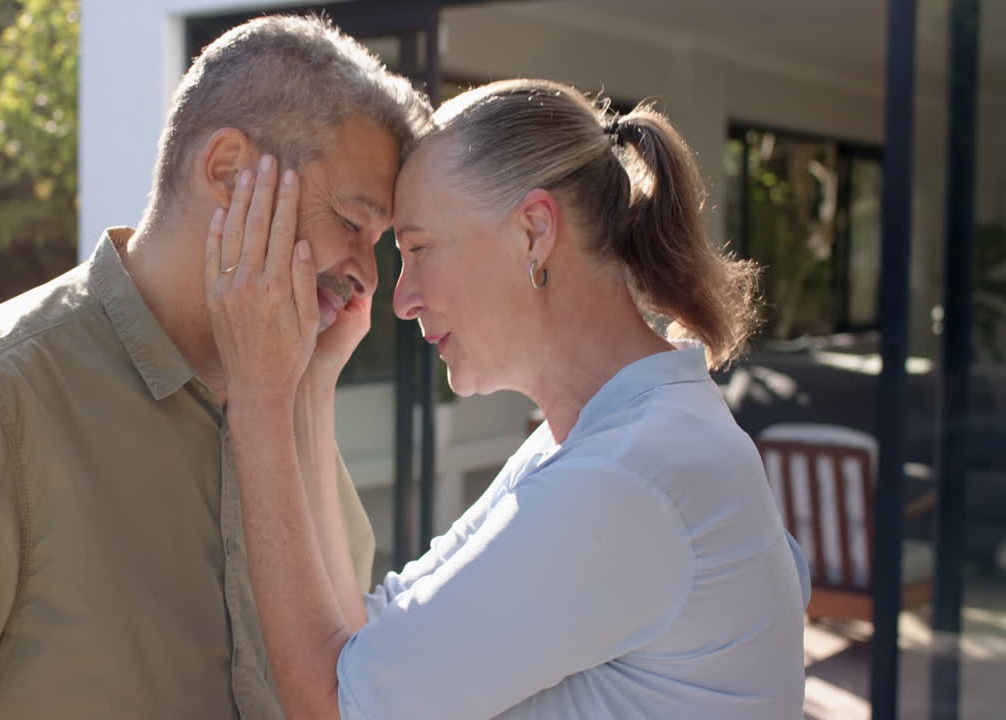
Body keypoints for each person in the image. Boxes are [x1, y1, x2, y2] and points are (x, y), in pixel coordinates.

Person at [0, 15, 430, 720]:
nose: (367, 277)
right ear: (227, 172)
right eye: (351, 223)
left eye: (381, 244)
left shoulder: (295, 416)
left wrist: (304, 399)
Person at [207, 78, 812, 719]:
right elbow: (371, 642)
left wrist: (259, 398)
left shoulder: (625, 481)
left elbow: (332, 708)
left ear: (533, 231)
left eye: (419, 249)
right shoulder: (597, 441)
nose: (402, 298)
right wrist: (310, 389)